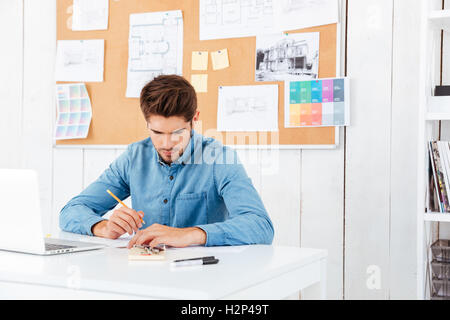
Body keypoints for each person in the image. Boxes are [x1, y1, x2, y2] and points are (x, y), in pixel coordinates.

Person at [60, 75, 274, 248]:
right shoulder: (134, 157)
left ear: (195, 119)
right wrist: (102, 227)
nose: (166, 143)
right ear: (147, 124)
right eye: (157, 132)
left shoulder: (220, 158)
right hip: (147, 275)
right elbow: (71, 211)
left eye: (177, 132)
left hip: (206, 278)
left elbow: (260, 225)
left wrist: (191, 234)